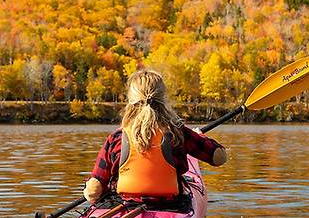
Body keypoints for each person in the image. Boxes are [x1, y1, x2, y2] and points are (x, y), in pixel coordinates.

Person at [83, 69, 228, 203]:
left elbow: (94, 189)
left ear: (131, 101)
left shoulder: (116, 138)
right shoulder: (178, 133)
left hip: (124, 203)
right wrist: (199, 137)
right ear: (163, 99)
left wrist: (90, 190)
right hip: (171, 205)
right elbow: (218, 157)